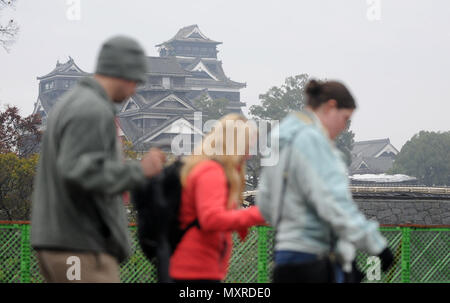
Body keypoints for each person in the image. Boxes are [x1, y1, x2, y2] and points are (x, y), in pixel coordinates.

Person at [31, 36, 166, 283]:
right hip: (79, 246)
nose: (135, 90)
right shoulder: (91, 108)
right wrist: (140, 170)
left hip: (62, 241)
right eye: (136, 81)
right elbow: (80, 172)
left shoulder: (71, 103)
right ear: (123, 72)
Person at [256, 79, 394, 283]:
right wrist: (376, 246)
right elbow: (333, 203)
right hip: (316, 260)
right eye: (345, 118)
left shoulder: (279, 141)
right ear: (331, 106)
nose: (344, 127)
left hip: (284, 258)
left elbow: (265, 202)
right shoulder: (313, 142)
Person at [169, 114, 266, 283]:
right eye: (247, 146)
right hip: (196, 270)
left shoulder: (207, 168)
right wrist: (259, 214)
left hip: (198, 267)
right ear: (234, 144)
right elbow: (212, 218)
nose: (249, 154)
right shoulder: (211, 172)